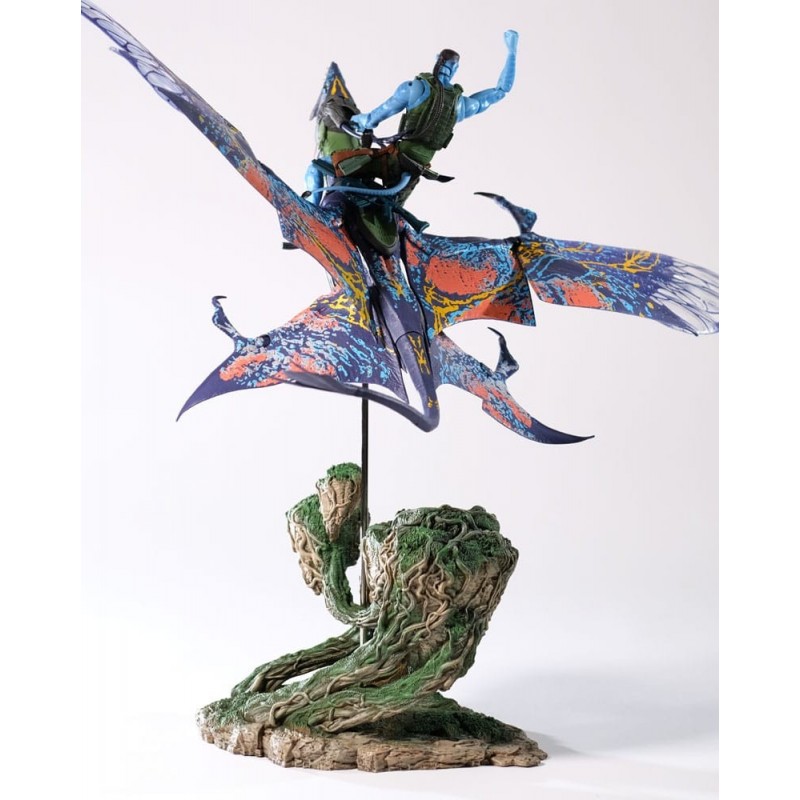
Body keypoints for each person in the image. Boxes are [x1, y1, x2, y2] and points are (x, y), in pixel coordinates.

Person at [343, 30, 519, 205]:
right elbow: (500, 91)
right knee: (393, 208)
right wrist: (512, 52)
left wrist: (357, 121)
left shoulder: (415, 87)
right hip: (418, 168)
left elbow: (374, 118)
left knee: (339, 166)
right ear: (455, 69)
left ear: (437, 60)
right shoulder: (461, 105)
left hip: (395, 159)